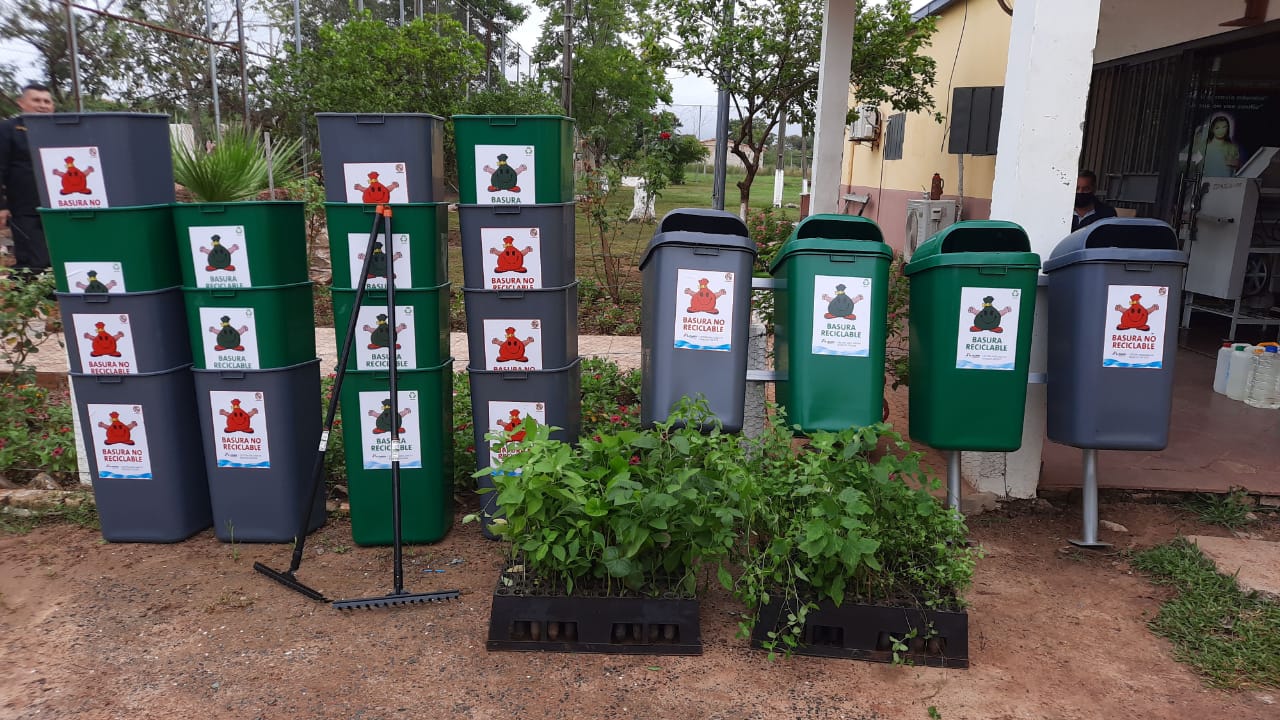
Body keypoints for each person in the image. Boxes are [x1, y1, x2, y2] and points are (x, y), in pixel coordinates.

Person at [0, 83, 56, 275]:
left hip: (58, 205)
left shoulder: (60, 131)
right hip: (25, 208)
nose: (42, 105)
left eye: (47, 101)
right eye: (36, 100)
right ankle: (28, 298)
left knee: (55, 254)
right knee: (35, 258)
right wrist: (2, 206)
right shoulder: (8, 129)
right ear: (21, 103)